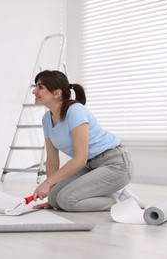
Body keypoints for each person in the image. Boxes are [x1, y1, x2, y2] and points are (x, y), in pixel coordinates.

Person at [31, 70, 144, 212]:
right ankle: (105, 193)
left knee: (67, 201)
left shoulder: (75, 111)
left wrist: (48, 182)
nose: (34, 92)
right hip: (91, 166)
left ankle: (120, 199)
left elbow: (80, 158)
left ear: (57, 93)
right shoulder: (46, 119)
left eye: (40, 87)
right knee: (55, 199)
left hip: (115, 164)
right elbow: (52, 160)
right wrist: (50, 195)